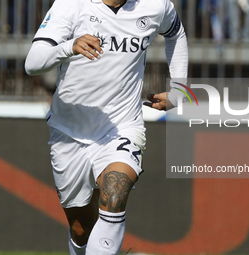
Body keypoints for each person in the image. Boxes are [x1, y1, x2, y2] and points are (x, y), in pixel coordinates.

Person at [25, 0, 188, 254]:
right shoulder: (71, 5)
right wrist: (70, 46)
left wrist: (179, 89)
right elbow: (32, 63)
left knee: (115, 191)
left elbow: (175, 32)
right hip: (69, 132)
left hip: (121, 127)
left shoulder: (155, 5)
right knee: (81, 230)